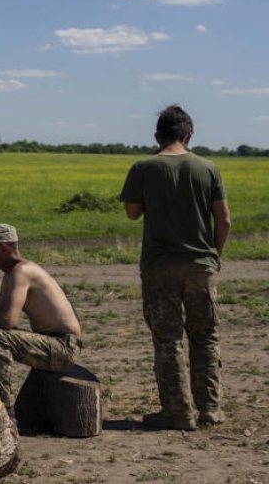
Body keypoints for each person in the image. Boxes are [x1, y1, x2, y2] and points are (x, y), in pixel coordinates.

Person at [120, 104, 231, 430]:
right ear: (189, 135)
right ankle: (210, 409)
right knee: (205, 336)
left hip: (159, 267)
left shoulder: (143, 166)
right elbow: (223, 220)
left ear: (157, 136)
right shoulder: (208, 167)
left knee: (168, 340)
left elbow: (132, 212)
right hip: (201, 266)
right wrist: (215, 254)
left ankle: (178, 411)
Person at [0, 224, 82, 417]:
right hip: (51, 343)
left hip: (64, 348)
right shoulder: (11, 274)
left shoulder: (22, 272)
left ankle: (2, 415)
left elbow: (7, 321)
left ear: (4, 249)